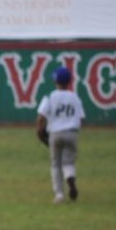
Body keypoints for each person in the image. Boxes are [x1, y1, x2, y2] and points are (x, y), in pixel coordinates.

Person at [37, 66, 86, 204]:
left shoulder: (51, 97)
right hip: (72, 132)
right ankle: (70, 179)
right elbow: (81, 117)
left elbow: (41, 116)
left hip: (55, 133)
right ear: (69, 81)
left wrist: (40, 129)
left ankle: (59, 194)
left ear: (55, 81)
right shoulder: (75, 97)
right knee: (68, 162)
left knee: (55, 164)